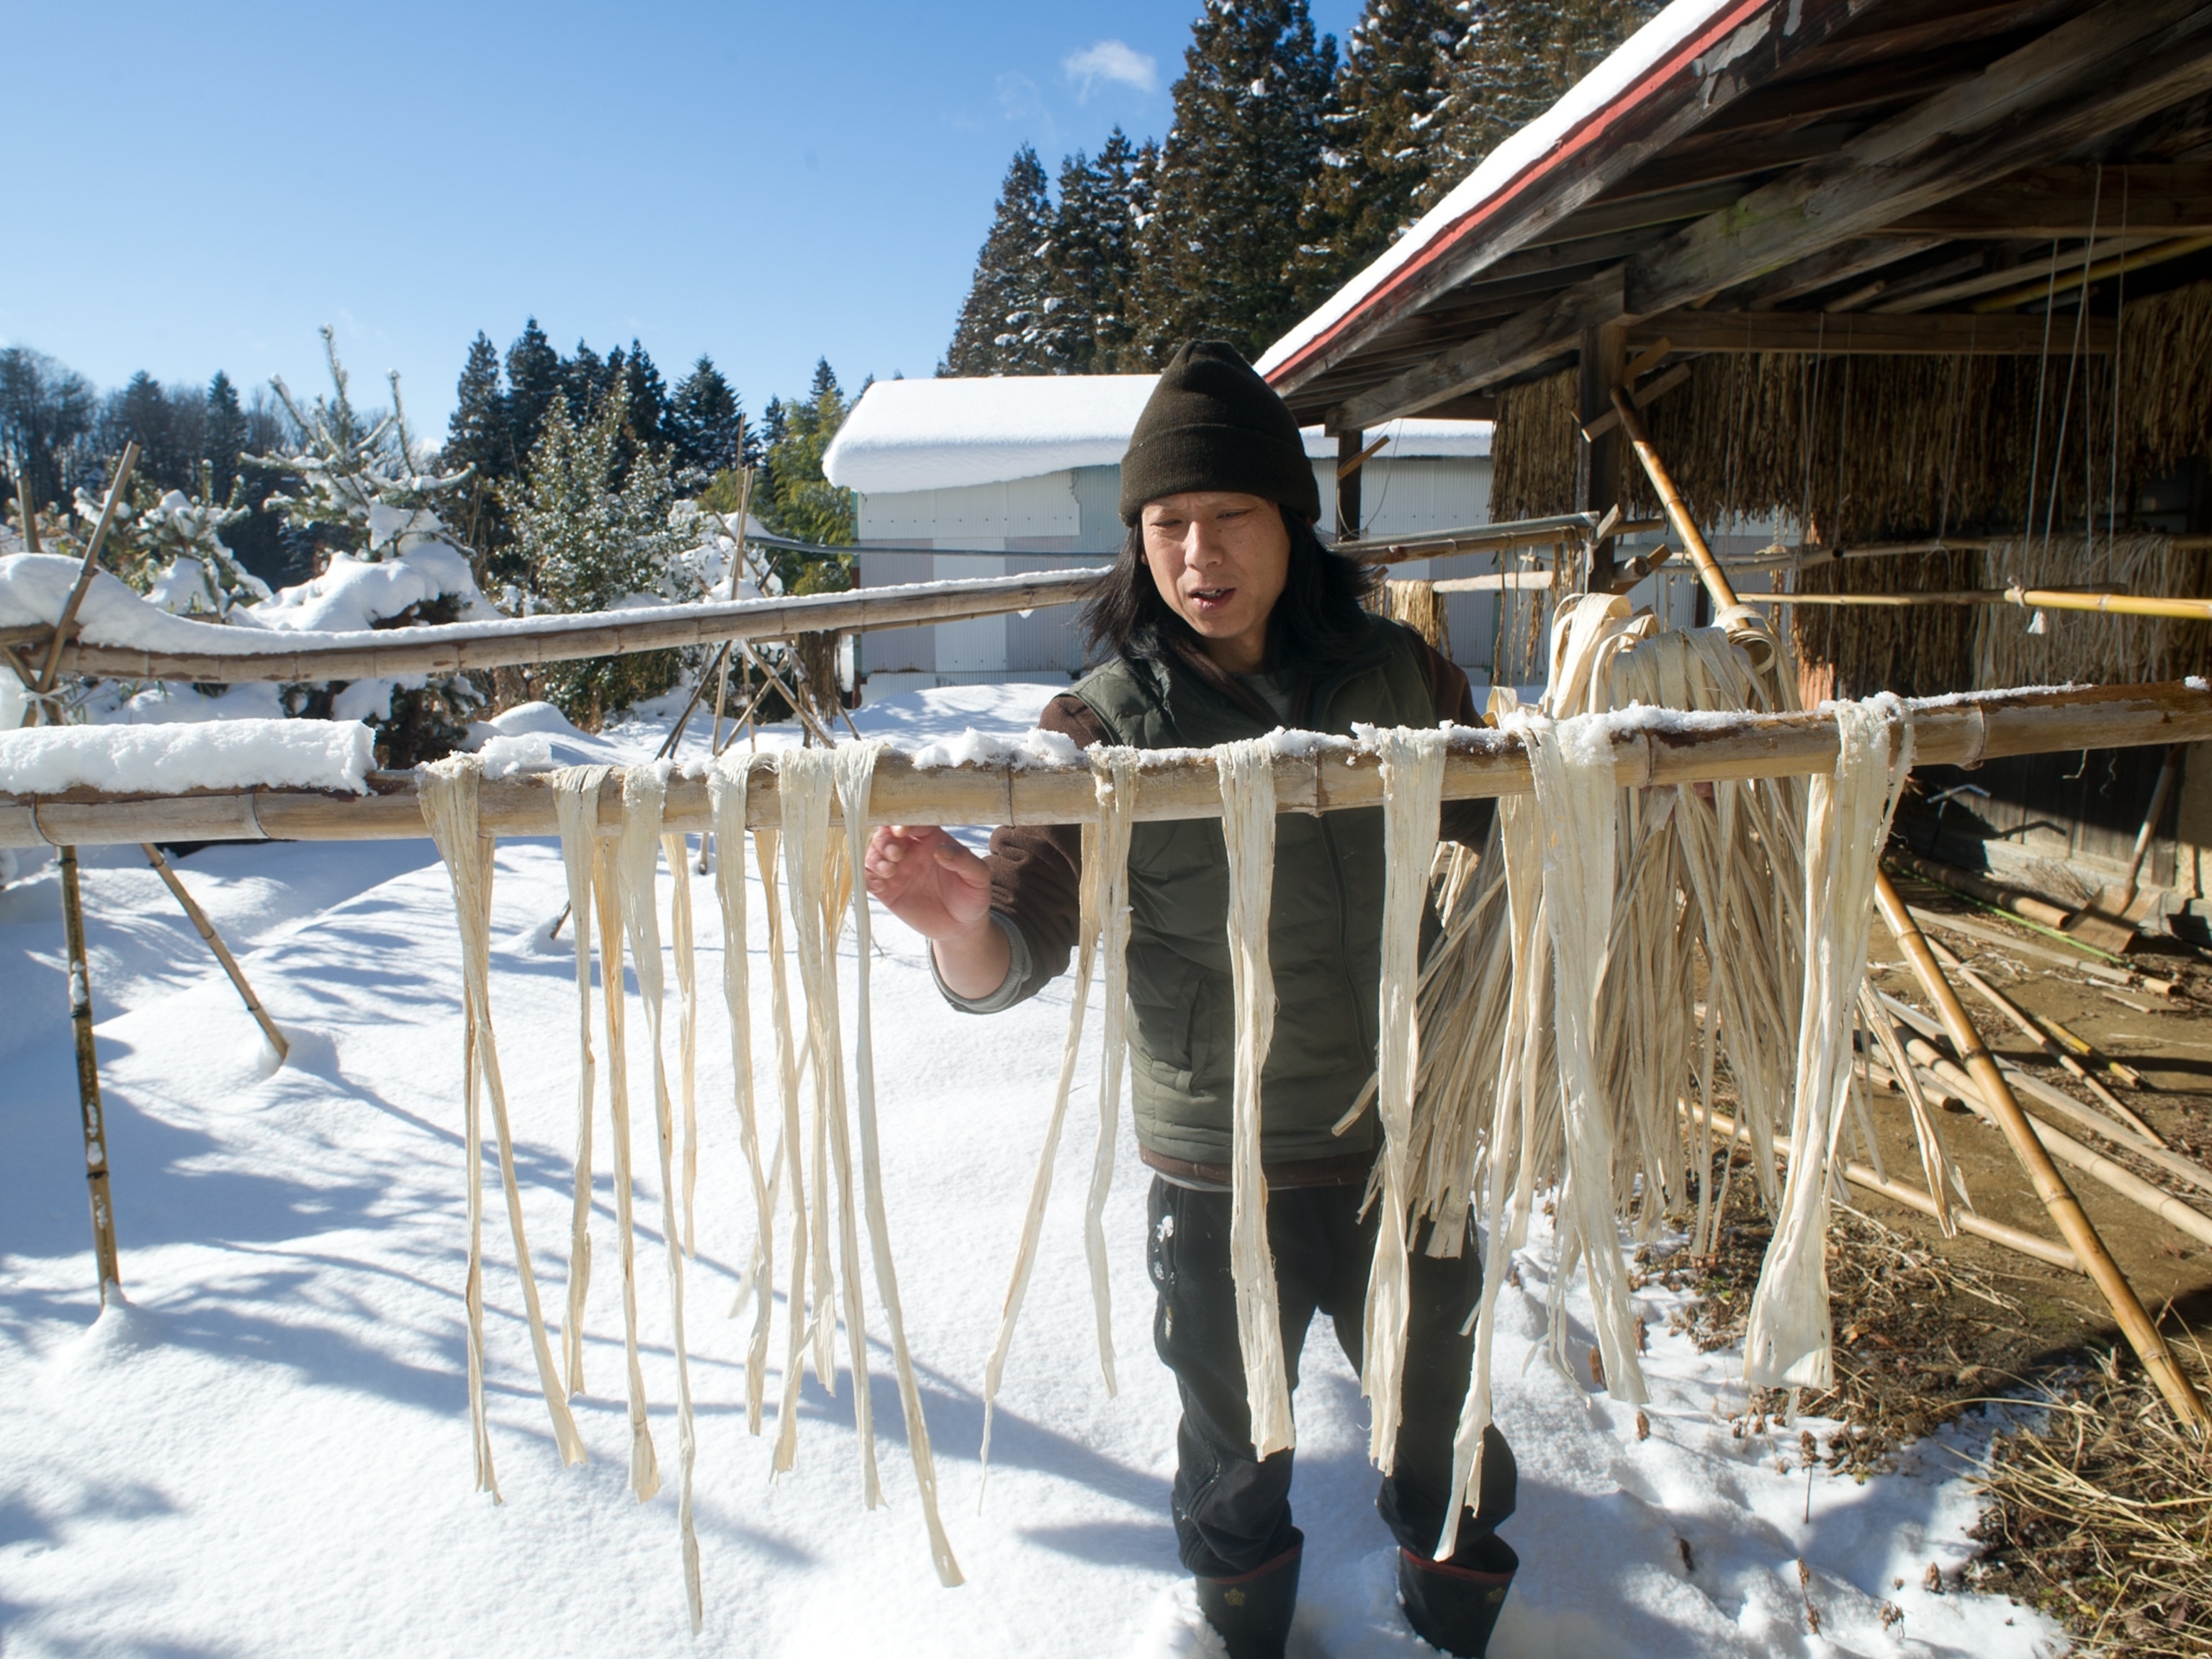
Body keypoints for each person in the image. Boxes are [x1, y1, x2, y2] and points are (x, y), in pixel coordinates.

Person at [862, 341, 1517, 1658]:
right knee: (1229, 1437)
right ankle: (1241, 1632)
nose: (1198, 554)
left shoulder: (1406, 685)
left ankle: (1453, 1623)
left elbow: (1507, 852)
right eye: (1168, 525)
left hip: (1406, 1136)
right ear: (1138, 545)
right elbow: (1022, 945)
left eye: (1229, 518)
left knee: (1439, 1404)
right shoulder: (1100, 727)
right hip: (1219, 1161)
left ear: (1292, 524)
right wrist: (963, 931)